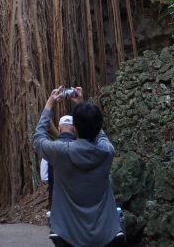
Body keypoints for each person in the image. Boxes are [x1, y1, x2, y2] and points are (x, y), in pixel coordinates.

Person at [33, 86, 124, 247]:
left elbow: (38, 140)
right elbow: (99, 133)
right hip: (105, 234)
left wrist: (49, 105)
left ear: (75, 128)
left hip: (67, 235)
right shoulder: (107, 152)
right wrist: (82, 105)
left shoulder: (60, 152)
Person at [40, 115, 77, 225]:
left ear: (59, 129)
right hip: (76, 205)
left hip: (55, 204)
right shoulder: (82, 149)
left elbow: (44, 177)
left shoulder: (49, 150)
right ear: (75, 129)